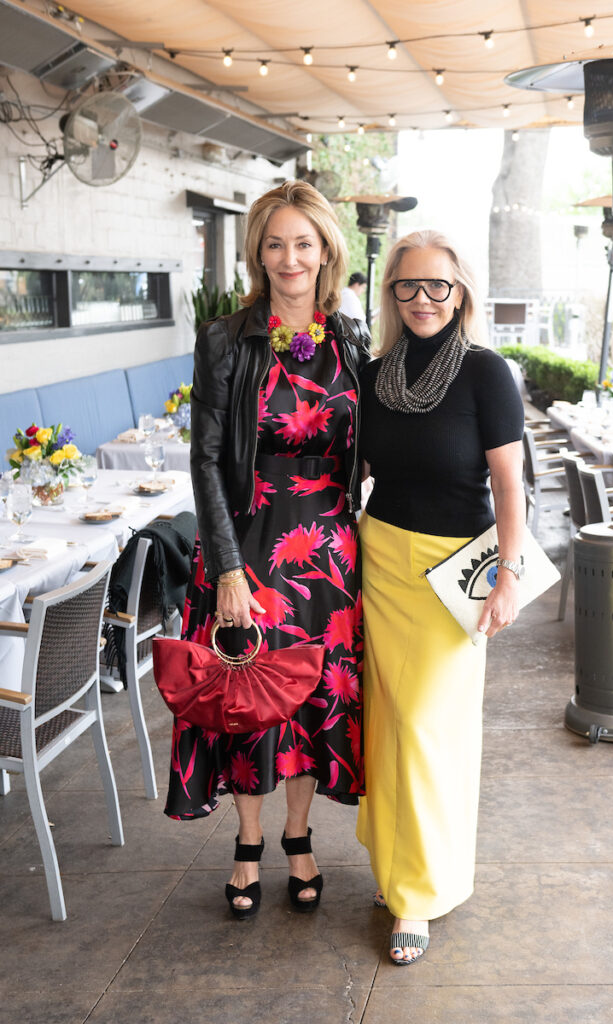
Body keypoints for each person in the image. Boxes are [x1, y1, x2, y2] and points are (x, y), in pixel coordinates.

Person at [165, 180, 370, 921]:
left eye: (303, 243)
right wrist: (223, 566)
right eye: (275, 243)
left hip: (330, 554)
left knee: (312, 699)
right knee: (249, 700)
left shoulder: (351, 339)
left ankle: (298, 837)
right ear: (258, 252)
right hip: (248, 544)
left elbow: (374, 445)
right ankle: (247, 845)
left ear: (325, 252)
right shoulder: (224, 337)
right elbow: (207, 461)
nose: (289, 257)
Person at [356, 230, 525, 965]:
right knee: (388, 723)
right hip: (379, 560)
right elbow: (346, 468)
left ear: (460, 293)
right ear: (390, 293)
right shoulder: (372, 373)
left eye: (438, 287)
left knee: (428, 727)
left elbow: (509, 485)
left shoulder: (486, 373)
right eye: (408, 287)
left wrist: (508, 574)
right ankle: (396, 868)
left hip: (455, 568)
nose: (422, 300)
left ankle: (420, 894)